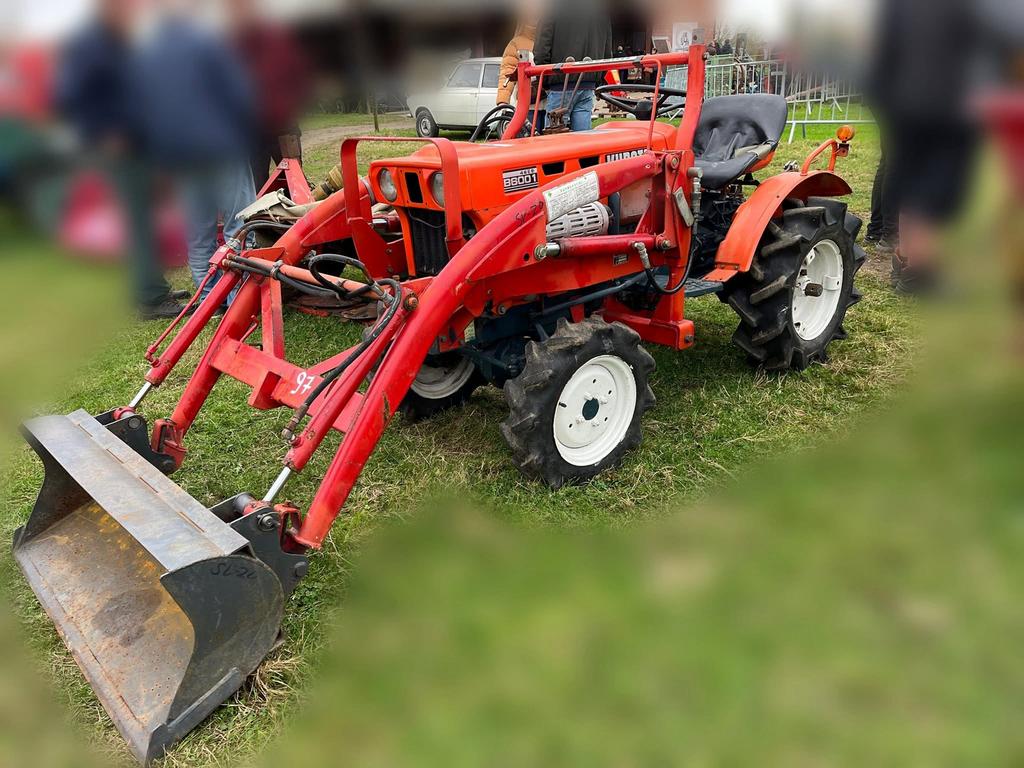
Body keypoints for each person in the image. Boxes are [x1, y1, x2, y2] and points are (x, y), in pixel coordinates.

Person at [55, 0, 186, 320]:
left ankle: (154, 287)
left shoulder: (118, 42)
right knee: (139, 221)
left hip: (140, 145)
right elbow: (70, 95)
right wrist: (105, 133)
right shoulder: (89, 45)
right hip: (121, 149)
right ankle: (150, 299)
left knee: (148, 218)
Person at [135, 0, 258, 305]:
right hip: (221, 146)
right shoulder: (209, 43)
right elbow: (240, 93)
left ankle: (208, 301)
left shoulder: (147, 55)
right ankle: (236, 299)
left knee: (198, 231)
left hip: (180, 154)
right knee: (239, 224)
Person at [867, 0, 980, 294]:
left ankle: (908, 259)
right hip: (930, 98)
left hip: (908, 97)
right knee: (932, 183)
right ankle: (917, 268)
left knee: (916, 179)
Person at [228, 0, 310, 195]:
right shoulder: (234, 47)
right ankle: (264, 224)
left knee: (295, 184)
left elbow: (300, 76)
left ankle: (301, 221)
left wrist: (288, 105)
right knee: (258, 189)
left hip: (284, 127)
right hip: (253, 133)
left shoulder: (279, 40)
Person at [533, 0, 612, 132]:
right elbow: (607, 52)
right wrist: (597, 77)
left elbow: (541, 50)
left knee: (554, 141)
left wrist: (546, 80)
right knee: (583, 140)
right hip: (588, 80)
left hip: (560, 81)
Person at [497, 21, 544, 134]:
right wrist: (503, 100)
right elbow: (507, 72)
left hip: (551, 103)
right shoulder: (516, 43)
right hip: (529, 106)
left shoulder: (550, 40)